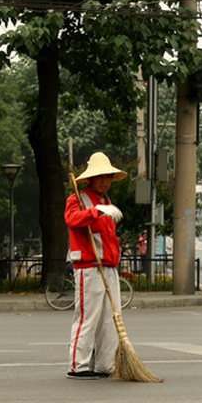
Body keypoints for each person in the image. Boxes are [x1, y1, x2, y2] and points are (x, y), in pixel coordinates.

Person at [64, 152, 126, 379]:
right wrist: (95, 212)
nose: (105, 181)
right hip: (89, 267)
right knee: (87, 318)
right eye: (100, 176)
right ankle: (78, 366)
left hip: (108, 266)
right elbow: (72, 220)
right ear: (91, 178)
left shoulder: (107, 202)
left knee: (111, 318)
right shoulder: (78, 200)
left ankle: (104, 364)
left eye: (108, 176)